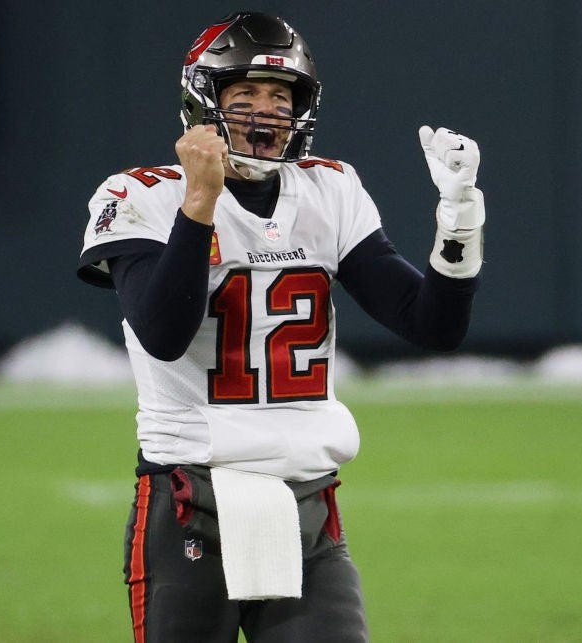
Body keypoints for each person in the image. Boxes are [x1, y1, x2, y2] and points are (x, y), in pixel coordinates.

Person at [76, 10, 485, 643]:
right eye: (245, 96)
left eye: (280, 96)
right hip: (192, 499)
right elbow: (163, 332)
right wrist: (200, 202)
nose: (266, 112)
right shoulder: (139, 195)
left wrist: (459, 224)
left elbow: (429, 324)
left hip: (305, 501)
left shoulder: (329, 188)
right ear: (203, 103)